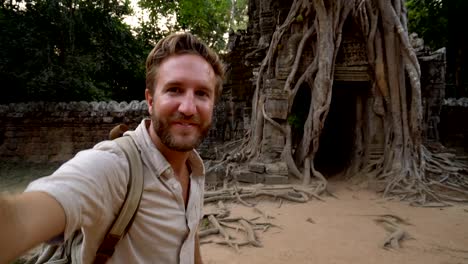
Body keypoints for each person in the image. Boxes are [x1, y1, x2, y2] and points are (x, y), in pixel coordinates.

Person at [0, 32, 225, 264]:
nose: (188, 107)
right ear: (150, 101)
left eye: (201, 93)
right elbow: (23, 218)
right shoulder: (114, 166)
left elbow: (190, 238)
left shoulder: (194, 169)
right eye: (174, 89)